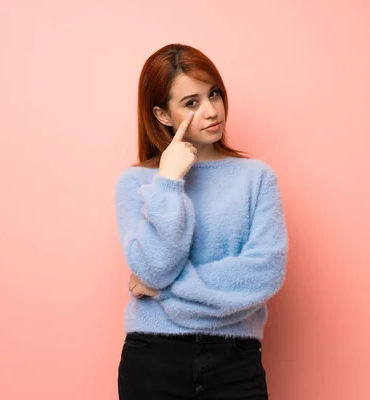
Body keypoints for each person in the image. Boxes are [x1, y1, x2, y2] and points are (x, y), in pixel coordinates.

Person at [114, 43, 289, 400]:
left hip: (235, 360)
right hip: (152, 356)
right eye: (191, 103)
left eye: (214, 94)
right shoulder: (137, 183)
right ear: (163, 115)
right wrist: (168, 182)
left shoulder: (256, 177)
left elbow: (264, 272)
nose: (211, 110)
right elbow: (154, 266)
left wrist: (163, 289)